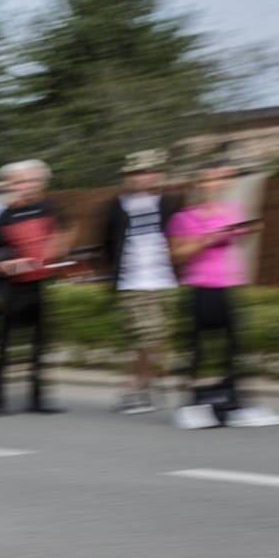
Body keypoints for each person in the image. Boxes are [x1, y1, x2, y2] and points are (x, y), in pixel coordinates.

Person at [166, 167, 279, 430]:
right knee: (199, 348)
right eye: (208, 180)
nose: (214, 184)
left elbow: (237, 239)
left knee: (235, 346)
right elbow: (178, 255)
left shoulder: (232, 211)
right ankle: (190, 404)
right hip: (201, 287)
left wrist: (248, 230)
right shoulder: (184, 218)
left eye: (219, 180)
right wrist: (208, 239)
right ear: (198, 185)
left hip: (229, 285)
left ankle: (234, 402)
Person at [0, 160, 73, 415]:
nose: (27, 186)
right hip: (10, 288)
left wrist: (58, 247)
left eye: (32, 181)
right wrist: (8, 264)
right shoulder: (6, 214)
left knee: (39, 345)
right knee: (4, 345)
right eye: (21, 182)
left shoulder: (50, 208)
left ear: (42, 183)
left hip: (38, 285)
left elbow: (67, 234)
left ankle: (37, 400)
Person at [100, 150, 180, 414]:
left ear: (158, 175)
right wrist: (114, 272)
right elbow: (107, 244)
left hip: (164, 280)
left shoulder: (169, 203)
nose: (142, 177)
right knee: (147, 335)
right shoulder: (116, 206)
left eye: (147, 172)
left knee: (156, 339)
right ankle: (135, 388)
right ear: (127, 177)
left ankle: (142, 388)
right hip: (132, 281)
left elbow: (179, 236)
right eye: (136, 173)